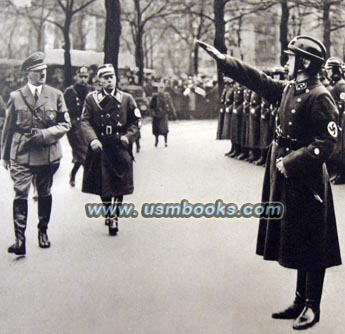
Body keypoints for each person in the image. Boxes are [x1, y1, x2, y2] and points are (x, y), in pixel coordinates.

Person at [197, 36, 342, 330]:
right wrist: (224, 61)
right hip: (286, 173)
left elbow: (327, 143)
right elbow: (259, 81)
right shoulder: (291, 88)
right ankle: (300, 300)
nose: (287, 62)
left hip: (306, 177)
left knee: (312, 240)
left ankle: (313, 306)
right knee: (298, 235)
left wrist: (291, 162)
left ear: (303, 62)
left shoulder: (319, 95)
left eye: (291, 57)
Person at [1, 52, 70, 255]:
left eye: (44, 71)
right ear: (28, 74)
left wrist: (44, 134)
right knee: (20, 191)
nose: (42, 74)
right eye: (38, 71)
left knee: (44, 192)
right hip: (21, 151)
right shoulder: (16, 97)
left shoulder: (56, 95)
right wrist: (5, 156)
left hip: (46, 152)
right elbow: (8, 128)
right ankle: (19, 240)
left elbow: (66, 124)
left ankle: (43, 232)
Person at [80, 64, 141, 236]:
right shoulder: (91, 99)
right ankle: (108, 212)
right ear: (99, 80)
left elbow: (136, 121)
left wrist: (128, 137)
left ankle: (115, 216)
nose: (109, 80)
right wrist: (92, 139)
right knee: (103, 184)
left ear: (116, 78)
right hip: (100, 146)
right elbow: (85, 121)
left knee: (120, 184)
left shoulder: (127, 98)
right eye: (105, 77)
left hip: (119, 144)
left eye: (111, 77)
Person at [64, 66, 91, 187]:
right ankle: (91, 179)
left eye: (85, 77)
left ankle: (73, 175)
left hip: (87, 125)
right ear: (76, 77)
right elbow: (63, 110)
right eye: (81, 77)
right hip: (74, 127)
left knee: (82, 153)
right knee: (82, 151)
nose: (83, 80)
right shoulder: (70, 91)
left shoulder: (91, 91)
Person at [324, 57, 345, 184]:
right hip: (334, 120)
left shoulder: (341, 85)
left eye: (330, 70)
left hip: (341, 120)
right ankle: (336, 173)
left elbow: (342, 103)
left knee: (341, 148)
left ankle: (341, 174)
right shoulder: (333, 84)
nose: (327, 72)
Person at [150, 82, 176, 147]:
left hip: (164, 114)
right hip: (156, 114)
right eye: (159, 88)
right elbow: (151, 106)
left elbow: (170, 104)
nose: (160, 89)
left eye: (162, 87)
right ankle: (156, 140)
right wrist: (153, 113)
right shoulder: (155, 96)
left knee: (165, 129)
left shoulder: (166, 95)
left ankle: (165, 141)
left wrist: (174, 114)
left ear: (164, 88)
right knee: (156, 130)